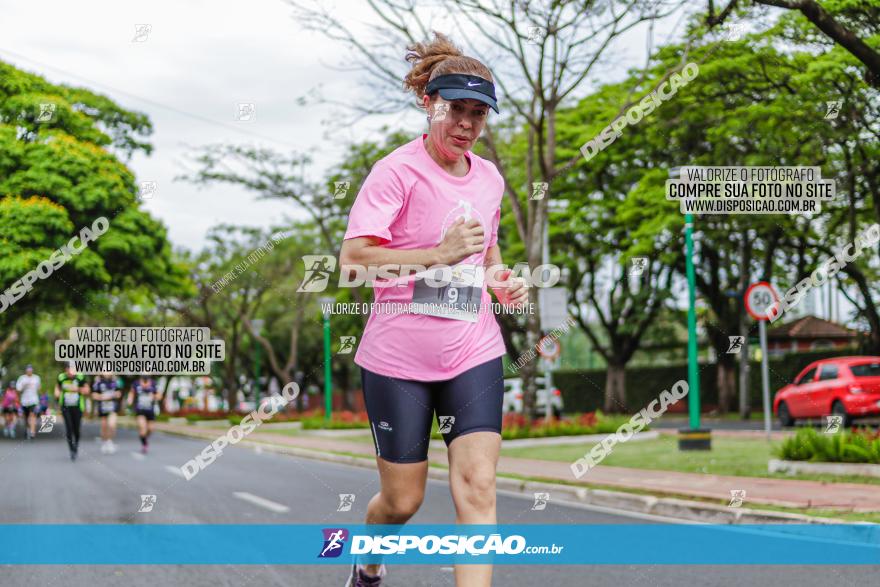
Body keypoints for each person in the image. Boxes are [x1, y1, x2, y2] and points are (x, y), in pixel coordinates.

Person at [338, 33, 528, 587]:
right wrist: (437, 254)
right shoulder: (395, 172)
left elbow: (486, 247)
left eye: (478, 114)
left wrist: (500, 281)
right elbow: (353, 261)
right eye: (455, 110)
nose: (466, 125)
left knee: (478, 488)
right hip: (398, 361)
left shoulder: (489, 177)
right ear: (428, 103)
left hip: (473, 351)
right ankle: (368, 565)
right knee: (402, 502)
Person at [55, 363, 89, 460]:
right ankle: (71, 450)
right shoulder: (61, 377)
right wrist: (57, 393)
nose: (70, 372)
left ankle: (76, 445)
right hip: (66, 407)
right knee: (69, 428)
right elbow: (57, 388)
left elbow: (87, 390)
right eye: (68, 369)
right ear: (66, 370)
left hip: (78, 407)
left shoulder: (80, 377)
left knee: (76, 430)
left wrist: (77, 389)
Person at [128, 374, 161, 454]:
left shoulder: (154, 383)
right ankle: (144, 444)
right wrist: (130, 400)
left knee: (150, 429)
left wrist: (154, 396)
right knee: (143, 428)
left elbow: (159, 396)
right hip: (140, 410)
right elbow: (132, 393)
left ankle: (144, 438)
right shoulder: (136, 383)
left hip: (150, 410)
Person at [92, 372, 121, 454]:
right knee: (104, 426)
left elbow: (119, 393)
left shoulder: (115, 381)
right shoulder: (98, 382)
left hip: (113, 408)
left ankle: (110, 441)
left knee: (112, 425)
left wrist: (113, 395)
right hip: (103, 408)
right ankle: (105, 442)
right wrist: (102, 397)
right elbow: (94, 395)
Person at [16, 364, 41, 440]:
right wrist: (24, 385)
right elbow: (18, 389)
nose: (29, 371)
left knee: (32, 415)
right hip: (24, 401)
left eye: (30, 370)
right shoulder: (22, 378)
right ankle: (27, 428)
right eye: (28, 370)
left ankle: (32, 432)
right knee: (26, 417)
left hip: (33, 400)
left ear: (32, 370)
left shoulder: (36, 378)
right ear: (26, 371)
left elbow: (39, 388)